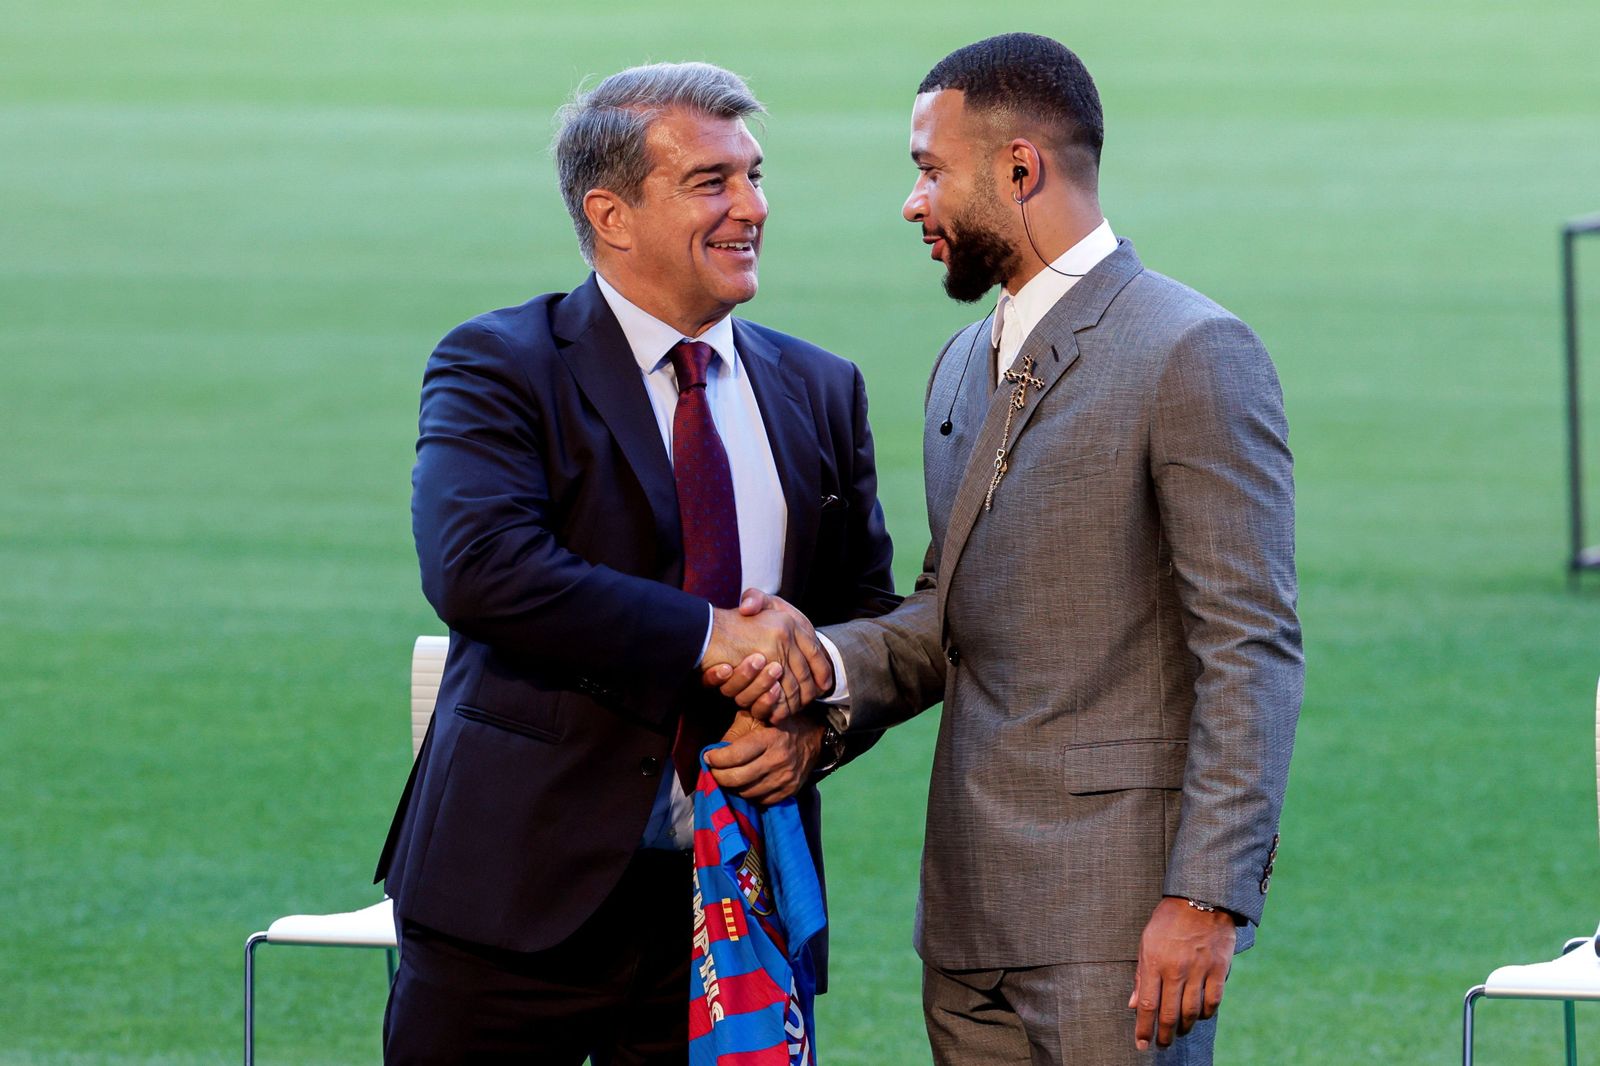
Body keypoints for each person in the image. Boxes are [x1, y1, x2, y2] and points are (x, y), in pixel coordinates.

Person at [714, 32, 1301, 1065]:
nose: (913, 203)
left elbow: (1249, 645)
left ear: (1019, 168)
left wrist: (1205, 894)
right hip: (967, 921)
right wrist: (822, 671)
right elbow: (951, 612)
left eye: (928, 171)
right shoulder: (958, 364)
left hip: (1117, 926)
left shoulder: (1191, 350)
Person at [373, 61, 897, 1064]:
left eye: (754, 175)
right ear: (610, 214)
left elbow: (866, 619)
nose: (753, 206)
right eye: (713, 181)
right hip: (510, 902)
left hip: (733, 904)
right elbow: (481, 567)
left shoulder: (822, 388)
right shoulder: (501, 364)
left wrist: (819, 732)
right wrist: (712, 637)